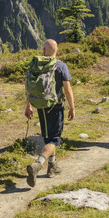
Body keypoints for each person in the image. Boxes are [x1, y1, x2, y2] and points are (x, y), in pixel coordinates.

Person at [24, 39, 75, 187]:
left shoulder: (36, 65)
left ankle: (52, 167)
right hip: (55, 106)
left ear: (43, 51)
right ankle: (38, 165)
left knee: (48, 137)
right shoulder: (60, 66)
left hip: (40, 105)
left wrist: (28, 106)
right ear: (57, 50)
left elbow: (28, 86)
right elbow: (67, 89)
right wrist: (72, 107)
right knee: (54, 139)